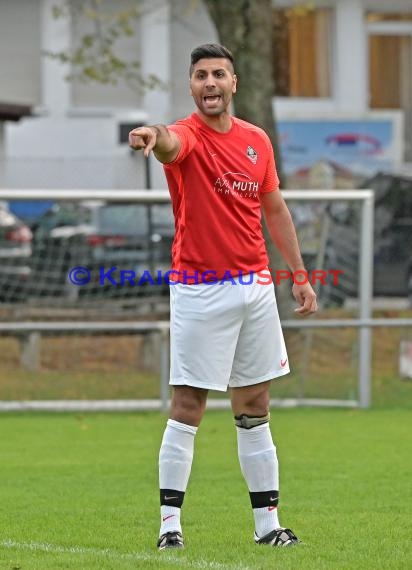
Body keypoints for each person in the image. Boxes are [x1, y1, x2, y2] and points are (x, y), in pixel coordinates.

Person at [129, 43, 317, 550]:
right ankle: (170, 528)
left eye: (218, 74)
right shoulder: (185, 136)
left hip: (255, 287)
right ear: (192, 86)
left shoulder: (257, 140)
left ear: (234, 83)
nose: (209, 82)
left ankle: (268, 527)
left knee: (255, 403)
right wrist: (152, 134)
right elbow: (168, 143)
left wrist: (297, 274)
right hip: (199, 289)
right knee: (189, 403)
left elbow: (274, 210)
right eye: (200, 75)